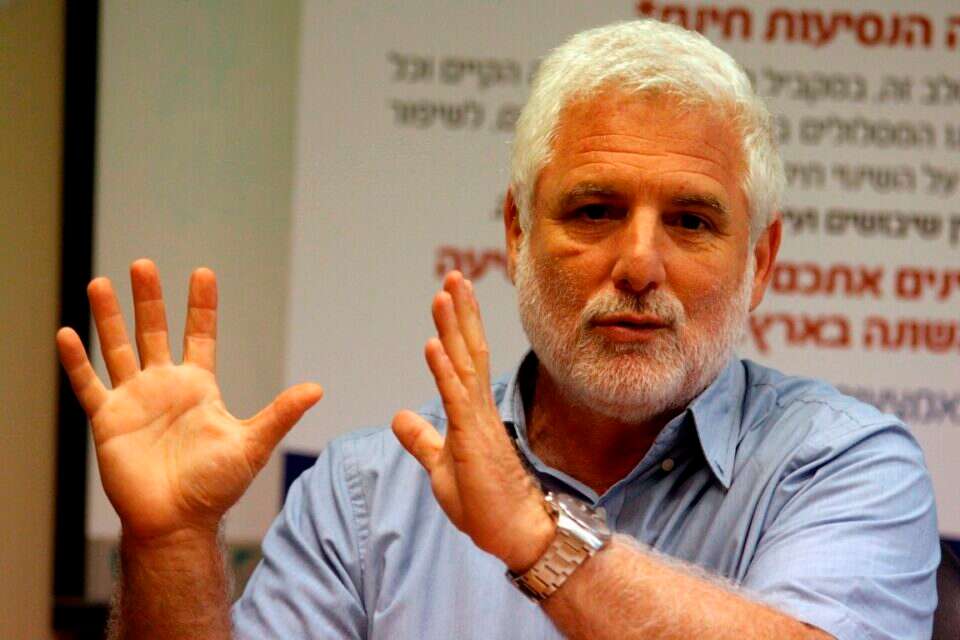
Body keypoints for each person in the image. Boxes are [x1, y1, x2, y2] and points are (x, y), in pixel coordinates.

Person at [57, 20, 938, 640]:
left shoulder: (846, 465)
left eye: (692, 221)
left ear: (762, 261)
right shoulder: (366, 495)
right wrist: (171, 544)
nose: (640, 263)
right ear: (516, 236)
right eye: (594, 210)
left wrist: (539, 536)